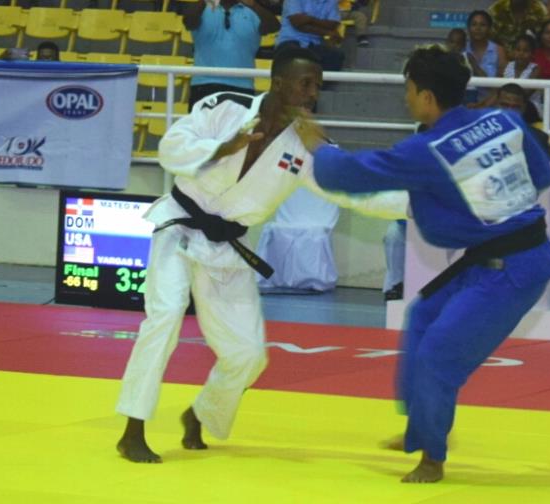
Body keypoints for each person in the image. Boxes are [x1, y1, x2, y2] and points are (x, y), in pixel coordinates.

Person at [115, 47, 406, 463]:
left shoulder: (306, 147)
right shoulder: (226, 107)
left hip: (227, 247)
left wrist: (416, 202)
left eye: (318, 85)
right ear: (278, 82)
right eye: (306, 83)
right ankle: (133, 429)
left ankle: (202, 412)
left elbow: (352, 192)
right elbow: (172, 145)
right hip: (179, 225)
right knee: (164, 316)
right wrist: (220, 147)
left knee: (248, 355)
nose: (313, 93)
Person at [293, 45, 550, 483]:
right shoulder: (505, 120)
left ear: (427, 98)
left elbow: (346, 174)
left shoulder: (427, 149)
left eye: (409, 90)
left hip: (513, 269)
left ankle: (432, 458)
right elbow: (543, 176)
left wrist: (318, 145)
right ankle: (420, 427)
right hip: (495, 257)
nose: (406, 98)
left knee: (438, 355)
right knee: (421, 319)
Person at [184, 0, 280, 110]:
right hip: (204, 84)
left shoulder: (252, 10)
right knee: (201, 127)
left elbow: (274, 26)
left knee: (239, 128)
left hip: (242, 86)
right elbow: (189, 22)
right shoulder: (201, 8)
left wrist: (254, 5)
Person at [275, 0, 345, 71]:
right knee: (296, 55)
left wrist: (309, 19)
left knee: (336, 56)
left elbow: (332, 25)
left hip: (314, 44)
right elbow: (297, 22)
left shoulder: (331, 1)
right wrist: (327, 32)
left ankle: (322, 82)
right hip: (289, 41)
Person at [465, 10, 508, 103]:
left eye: (482, 25)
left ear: (489, 28)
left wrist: (483, 105)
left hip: (492, 103)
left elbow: (501, 86)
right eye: (474, 24)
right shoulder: (462, 50)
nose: (478, 28)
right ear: (468, 28)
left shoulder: (499, 50)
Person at [495, 83, 550, 152]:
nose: (510, 111)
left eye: (515, 107)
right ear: (496, 104)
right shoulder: (480, 133)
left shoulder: (539, 138)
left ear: (523, 108)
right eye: (504, 105)